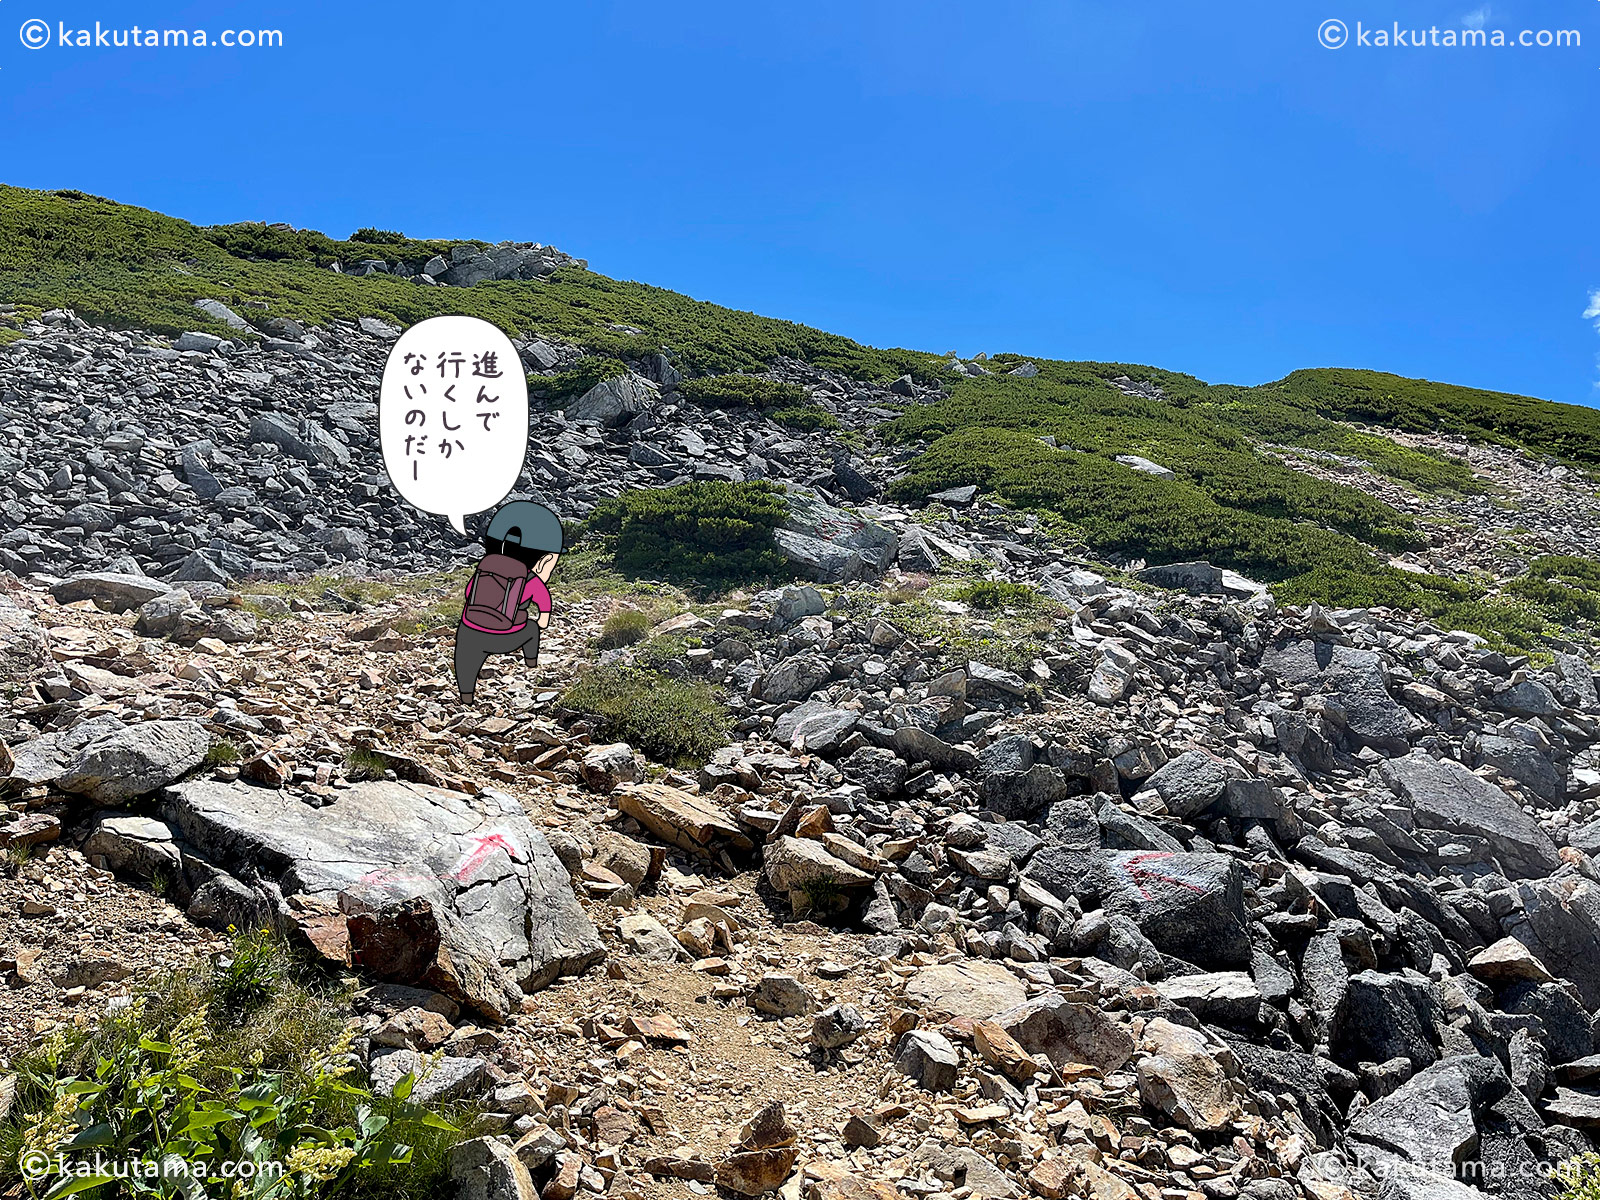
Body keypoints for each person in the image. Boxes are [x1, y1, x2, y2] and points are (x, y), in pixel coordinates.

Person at [454, 500, 562, 702]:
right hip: (505, 635)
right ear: (543, 562)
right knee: (531, 628)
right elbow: (544, 604)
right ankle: (531, 663)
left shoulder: (484, 568)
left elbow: (469, 593)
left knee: (465, 658)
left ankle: (466, 696)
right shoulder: (531, 579)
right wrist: (543, 620)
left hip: (470, 629)